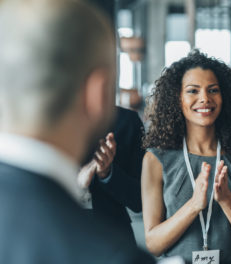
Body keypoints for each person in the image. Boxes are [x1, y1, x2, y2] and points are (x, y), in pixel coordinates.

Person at [0, 0, 154, 263]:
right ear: (98, 91)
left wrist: (108, 174)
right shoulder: (117, 258)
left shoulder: (127, 125)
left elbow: (140, 199)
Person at [141, 50, 231, 264]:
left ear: (224, 97)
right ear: (177, 98)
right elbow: (154, 244)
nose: (204, 99)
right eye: (192, 91)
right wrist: (194, 205)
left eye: (213, 90)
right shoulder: (156, 159)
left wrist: (227, 199)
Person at [78, 106, 145, 246]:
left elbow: (140, 199)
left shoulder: (126, 121)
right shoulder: (49, 118)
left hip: (114, 238)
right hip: (62, 235)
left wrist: (107, 173)